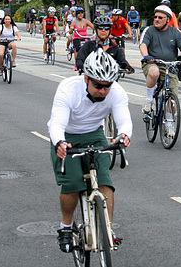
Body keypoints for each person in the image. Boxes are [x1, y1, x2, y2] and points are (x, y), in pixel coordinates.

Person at [48, 50, 132, 254]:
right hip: (67, 135)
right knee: (73, 184)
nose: (103, 91)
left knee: (105, 182)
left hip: (94, 133)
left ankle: (108, 229)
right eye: (98, 86)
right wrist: (59, 142)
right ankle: (66, 227)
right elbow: (57, 122)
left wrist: (124, 135)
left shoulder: (117, 92)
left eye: (107, 86)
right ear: (85, 78)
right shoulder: (68, 88)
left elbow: (124, 120)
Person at [139, 4, 181, 119]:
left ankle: (169, 123)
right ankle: (149, 101)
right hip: (152, 63)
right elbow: (143, 45)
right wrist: (146, 56)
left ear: (168, 19)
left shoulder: (175, 32)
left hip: (170, 66)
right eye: (155, 17)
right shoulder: (149, 30)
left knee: (172, 101)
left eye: (160, 17)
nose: (156, 20)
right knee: (154, 72)